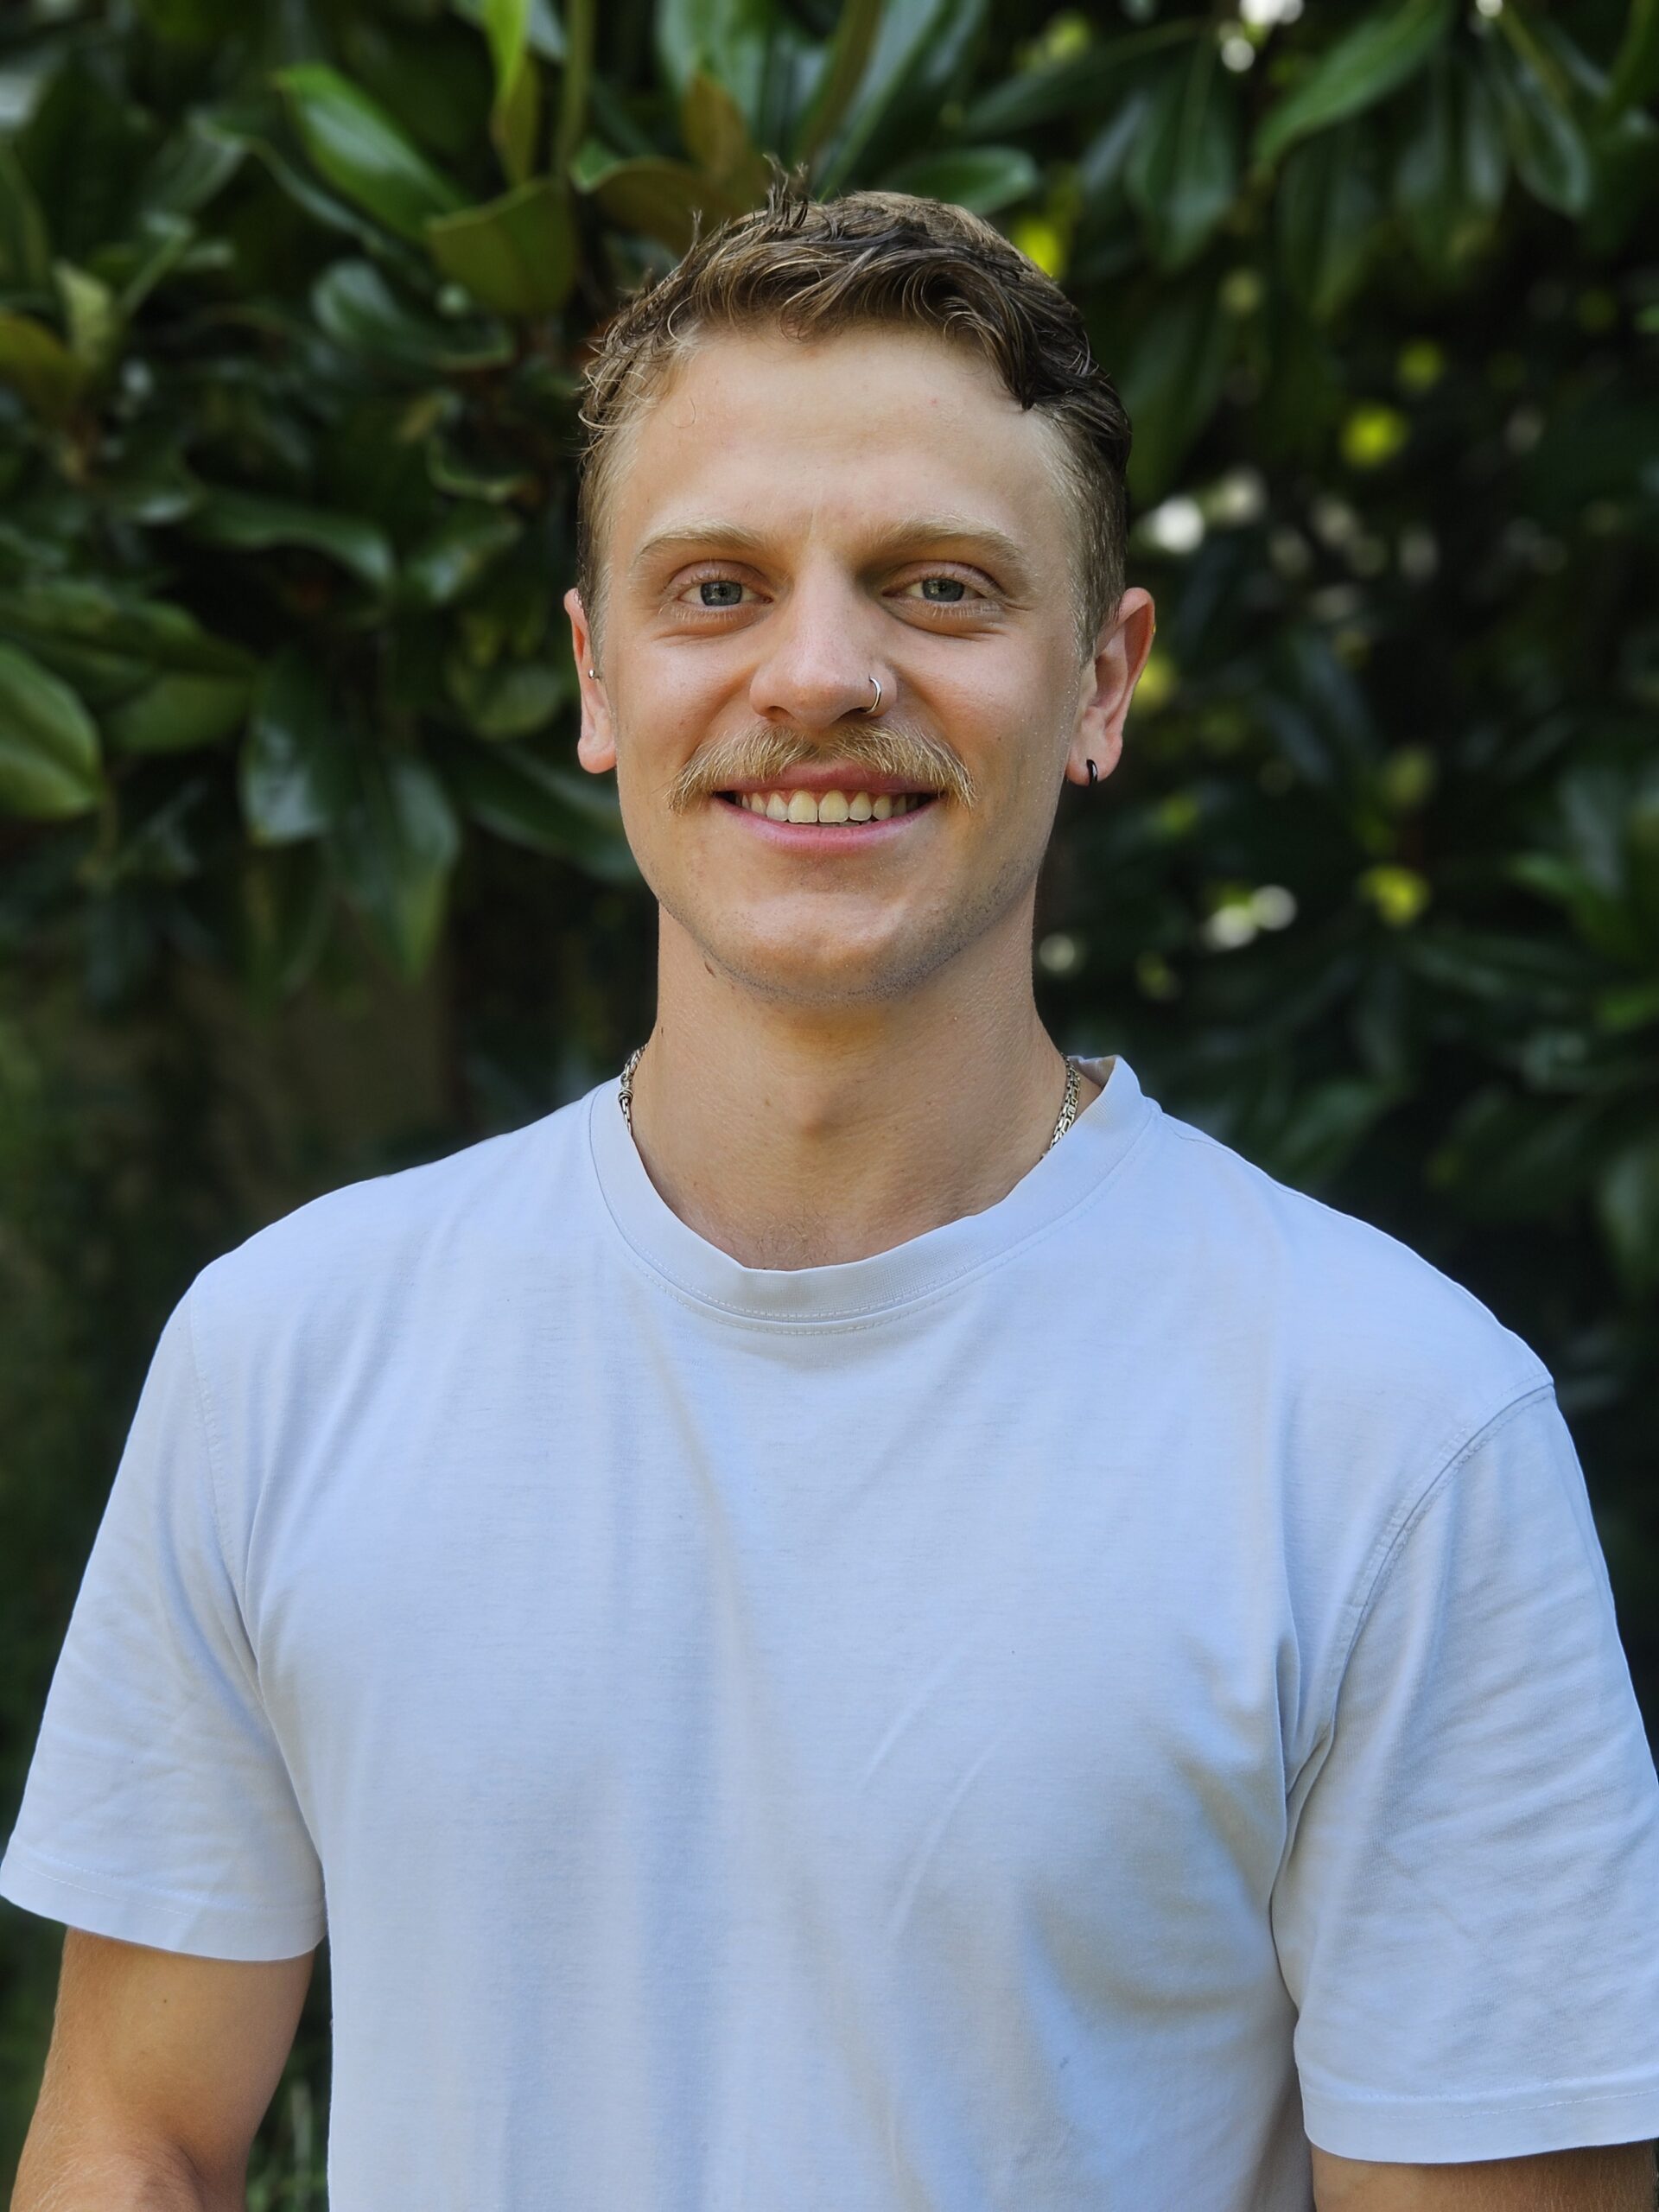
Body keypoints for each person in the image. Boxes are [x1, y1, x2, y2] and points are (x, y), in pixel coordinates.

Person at [3, 181, 1656, 2212]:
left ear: (1105, 682)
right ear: (596, 677)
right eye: (715, 587)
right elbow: (135, 2134)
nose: (817, 670)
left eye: (938, 587)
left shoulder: (1395, 1431)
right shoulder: (285, 1356)